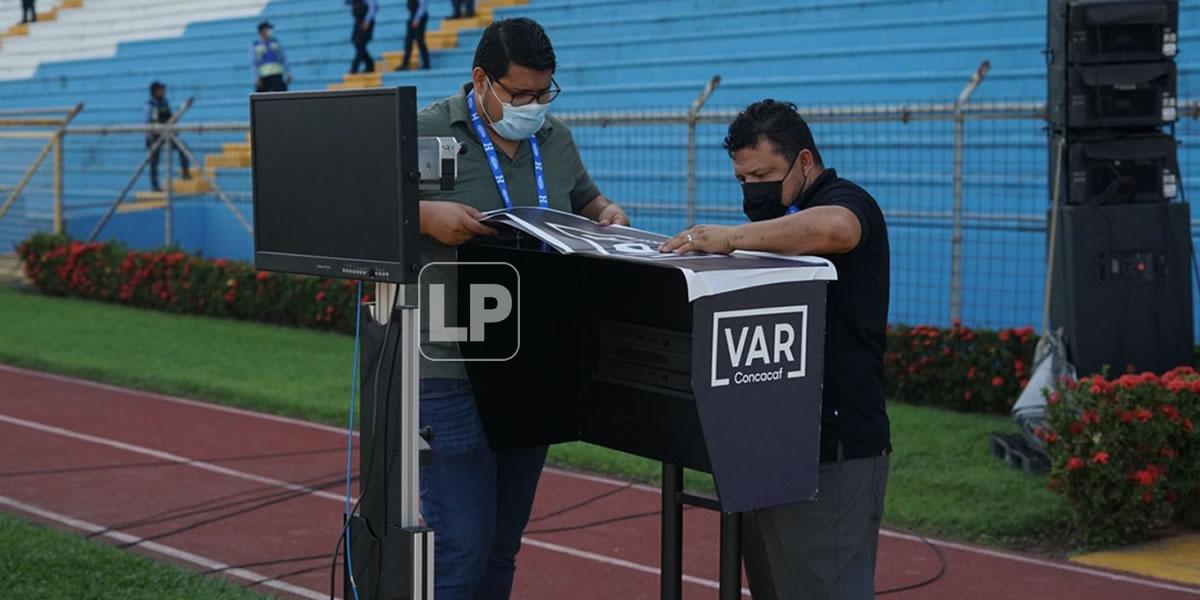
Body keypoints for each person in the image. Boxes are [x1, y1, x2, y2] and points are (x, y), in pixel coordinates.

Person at [415, 17, 629, 600]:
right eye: (521, 95)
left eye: (544, 94)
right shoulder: (427, 130)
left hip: (533, 361)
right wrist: (423, 215)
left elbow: (584, 198)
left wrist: (607, 211)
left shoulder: (553, 139)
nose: (534, 106)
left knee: (503, 548)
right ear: (481, 79)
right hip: (448, 365)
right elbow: (359, 217)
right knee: (458, 550)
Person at [660, 99, 891, 600]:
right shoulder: (784, 218)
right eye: (742, 179)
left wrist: (729, 238)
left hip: (836, 449)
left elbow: (838, 228)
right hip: (770, 445)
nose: (752, 189)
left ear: (804, 161)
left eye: (762, 174)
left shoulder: (845, 199)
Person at [143, 82, 191, 192]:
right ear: (155, 92)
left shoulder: (165, 103)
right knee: (154, 162)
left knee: (184, 149)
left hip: (167, 135)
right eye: (161, 90)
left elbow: (170, 117)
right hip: (154, 136)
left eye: (163, 90)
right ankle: (155, 186)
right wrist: (151, 134)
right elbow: (146, 123)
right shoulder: (149, 105)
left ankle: (185, 174)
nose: (163, 92)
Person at [251, 21, 291, 92]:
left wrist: (288, 73)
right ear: (262, 31)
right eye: (268, 29)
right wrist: (256, 78)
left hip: (277, 76)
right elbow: (254, 63)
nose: (270, 31)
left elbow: (283, 59)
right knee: (261, 99)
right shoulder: (256, 45)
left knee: (283, 97)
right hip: (264, 77)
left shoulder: (275, 43)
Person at [399, 0, 430, 71]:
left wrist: (417, 19)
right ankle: (405, 63)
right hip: (412, 16)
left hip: (419, 18)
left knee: (420, 41)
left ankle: (426, 63)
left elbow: (422, 6)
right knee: (408, 42)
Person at [348, 0, 378, 74]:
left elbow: (372, 7)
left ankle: (354, 68)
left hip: (366, 21)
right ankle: (370, 64)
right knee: (356, 42)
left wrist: (367, 20)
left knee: (360, 44)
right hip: (358, 21)